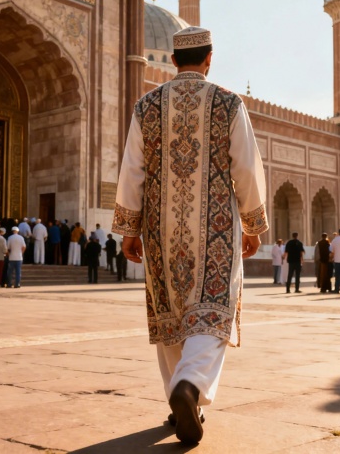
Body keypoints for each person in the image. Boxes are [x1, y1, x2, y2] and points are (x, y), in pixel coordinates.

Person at [112, 26, 267, 446]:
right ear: (209, 58)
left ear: (175, 60)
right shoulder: (227, 102)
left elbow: (132, 170)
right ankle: (191, 385)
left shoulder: (146, 106)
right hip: (215, 226)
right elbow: (247, 169)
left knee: (171, 315)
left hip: (160, 228)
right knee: (211, 312)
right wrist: (253, 222)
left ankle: (180, 400)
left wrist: (128, 228)